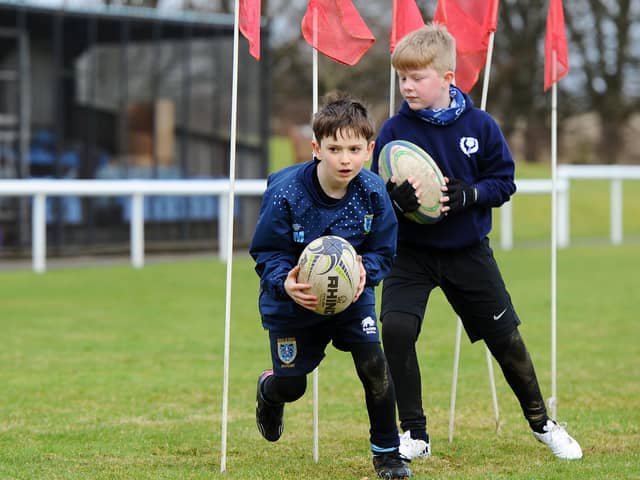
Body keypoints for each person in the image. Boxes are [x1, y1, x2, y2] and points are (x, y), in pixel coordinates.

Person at [371, 24, 583, 461]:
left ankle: (543, 422)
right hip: (411, 254)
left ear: (448, 78)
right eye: (402, 78)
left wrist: (472, 193)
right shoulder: (394, 130)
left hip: (468, 253)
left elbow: (504, 183)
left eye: (417, 77)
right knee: (394, 329)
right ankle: (415, 434)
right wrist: (395, 199)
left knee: (505, 340)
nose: (407, 86)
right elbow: (379, 193)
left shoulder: (481, 126)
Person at [250, 91, 412, 478]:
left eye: (354, 148)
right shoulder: (287, 193)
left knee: (375, 365)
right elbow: (266, 253)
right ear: (315, 148)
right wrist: (284, 283)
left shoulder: (373, 193)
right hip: (292, 302)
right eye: (334, 148)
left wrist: (364, 274)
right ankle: (269, 390)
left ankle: (387, 453)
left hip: (352, 300)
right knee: (293, 386)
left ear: (370, 149)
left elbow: (383, 252)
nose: (345, 158)